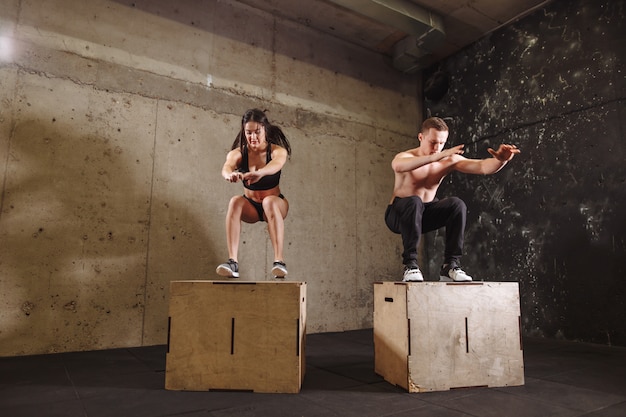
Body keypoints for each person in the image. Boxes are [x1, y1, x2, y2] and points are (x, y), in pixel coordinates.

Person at [384, 117, 520, 282]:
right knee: (414, 201)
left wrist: (501, 160)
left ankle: (450, 265)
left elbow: (483, 167)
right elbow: (398, 166)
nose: (437, 148)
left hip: (425, 214)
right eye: (433, 142)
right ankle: (411, 266)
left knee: (456, 205)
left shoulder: (447, 159)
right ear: (421, 137)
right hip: (399, 215)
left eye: (441, 143)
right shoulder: (405, 156)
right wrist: (436, 157)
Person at [216, 108, 292, 279]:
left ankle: (279, 261)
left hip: (275, 205)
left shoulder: (277, 151)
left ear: (265, 129)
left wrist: (261, 173)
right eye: (248, 133)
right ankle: (232, 262)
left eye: (257, 132)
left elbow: (277, 164)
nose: (253, 137)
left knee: (269, 202)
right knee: (235, 201)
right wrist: (230, 175)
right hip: (251, 206)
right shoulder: (238, 153)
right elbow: (226, 167)